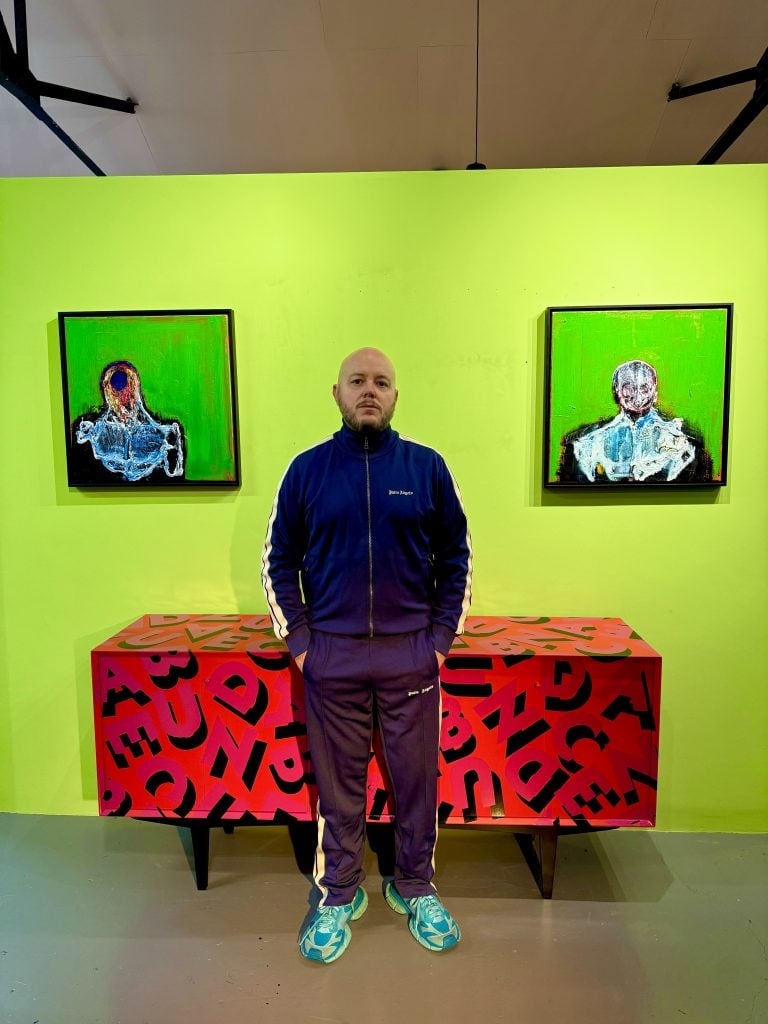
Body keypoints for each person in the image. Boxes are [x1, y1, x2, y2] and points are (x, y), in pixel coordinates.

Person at [261, 347, 472, 963]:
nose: (369, 391)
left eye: (381, 382)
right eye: (358, 381)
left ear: (396, 396)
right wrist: (302, 644)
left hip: (412, 660)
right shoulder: (306, 472)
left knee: (416, 784)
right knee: (339, 789)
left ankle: (415, 887)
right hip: (333, 660)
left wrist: (437, 643)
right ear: (337, 393)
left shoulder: (428, 468)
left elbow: (458, 557)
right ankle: (339, 894)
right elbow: (277, 561)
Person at [557, 359, 712, 483]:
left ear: (655, 393)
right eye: (628, 387)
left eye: (644, 388)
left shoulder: (684, 445)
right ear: (616, 391)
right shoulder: (588, 445)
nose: (637, 396)